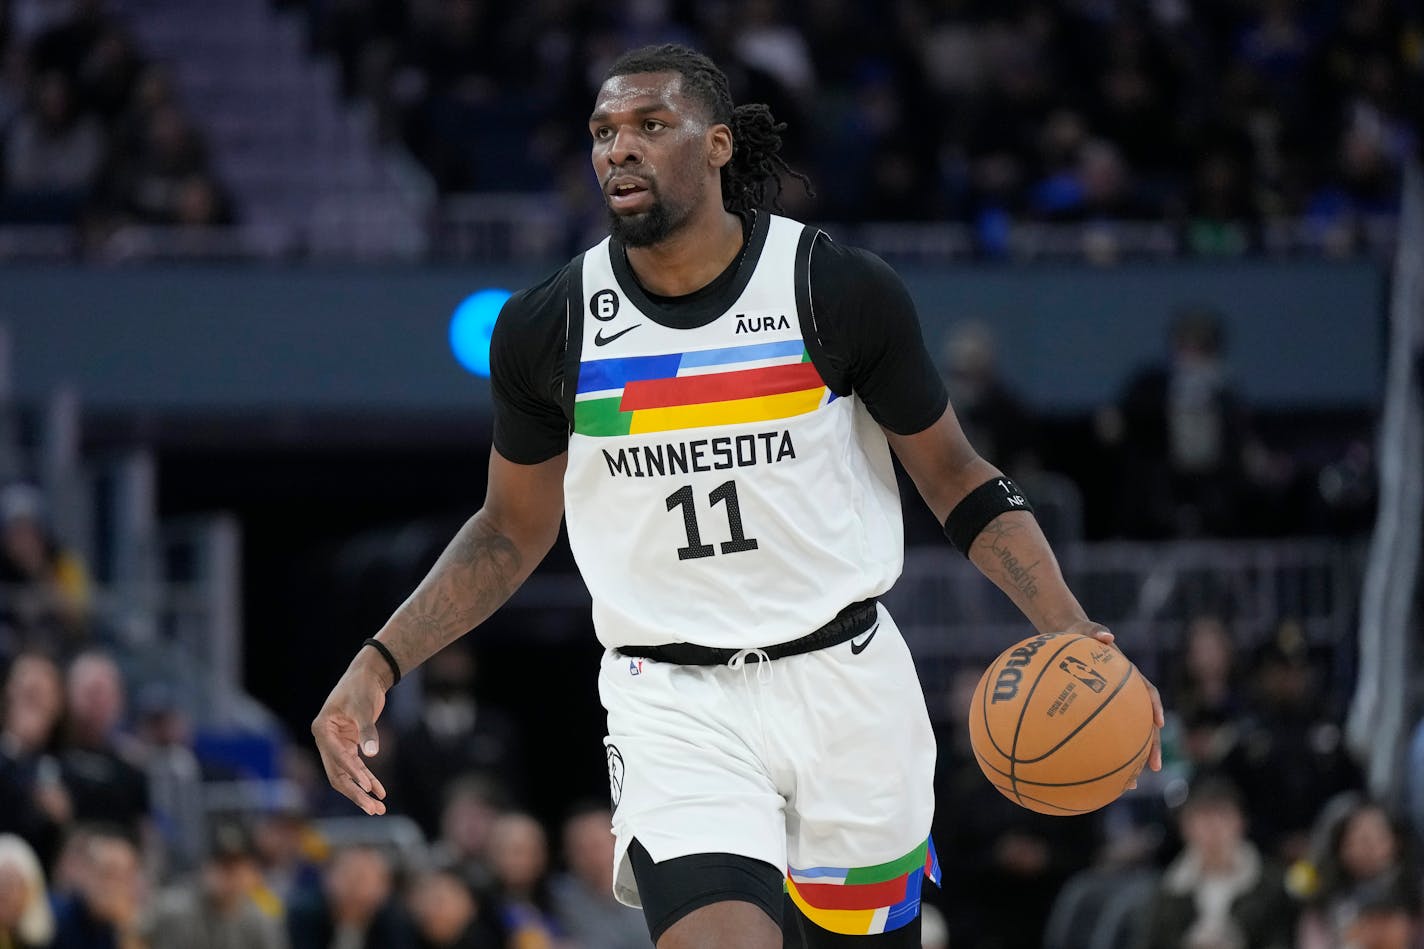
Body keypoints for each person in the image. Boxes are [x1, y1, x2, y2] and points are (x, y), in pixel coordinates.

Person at [311, 43, 1164, 949]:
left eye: (650, 125)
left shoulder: (833, 288)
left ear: (718, 145)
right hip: (673, 696)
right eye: (603, 132)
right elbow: (506, 532)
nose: (618, 149)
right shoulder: (550, 326)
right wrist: (379, 659)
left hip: (847, 684)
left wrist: (1068, 625)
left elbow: (956, 475)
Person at [1138, 778, 1295, 949]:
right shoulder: (1169, 889)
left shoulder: (1271, 883)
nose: (1213, 828)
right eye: (1203, 818)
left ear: (1240, 823)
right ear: (1185, 828)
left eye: (1222, 816)